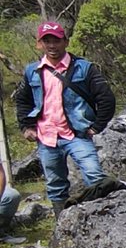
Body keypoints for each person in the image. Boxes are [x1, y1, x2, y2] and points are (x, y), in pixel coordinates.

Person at [13, 18, 113, 214]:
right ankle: (63, 226)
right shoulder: (32, 71)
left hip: (77, 134)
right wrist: (26, 127)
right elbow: (23, 101)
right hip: (47, 137)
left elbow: (107, 98)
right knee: (55, 185)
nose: (52, 45)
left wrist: (96, 126)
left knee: (95, 176)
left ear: (66, 42)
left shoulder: (85, 68)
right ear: (39, 43)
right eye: (47, 40)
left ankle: (103, 218)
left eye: (56, 40)